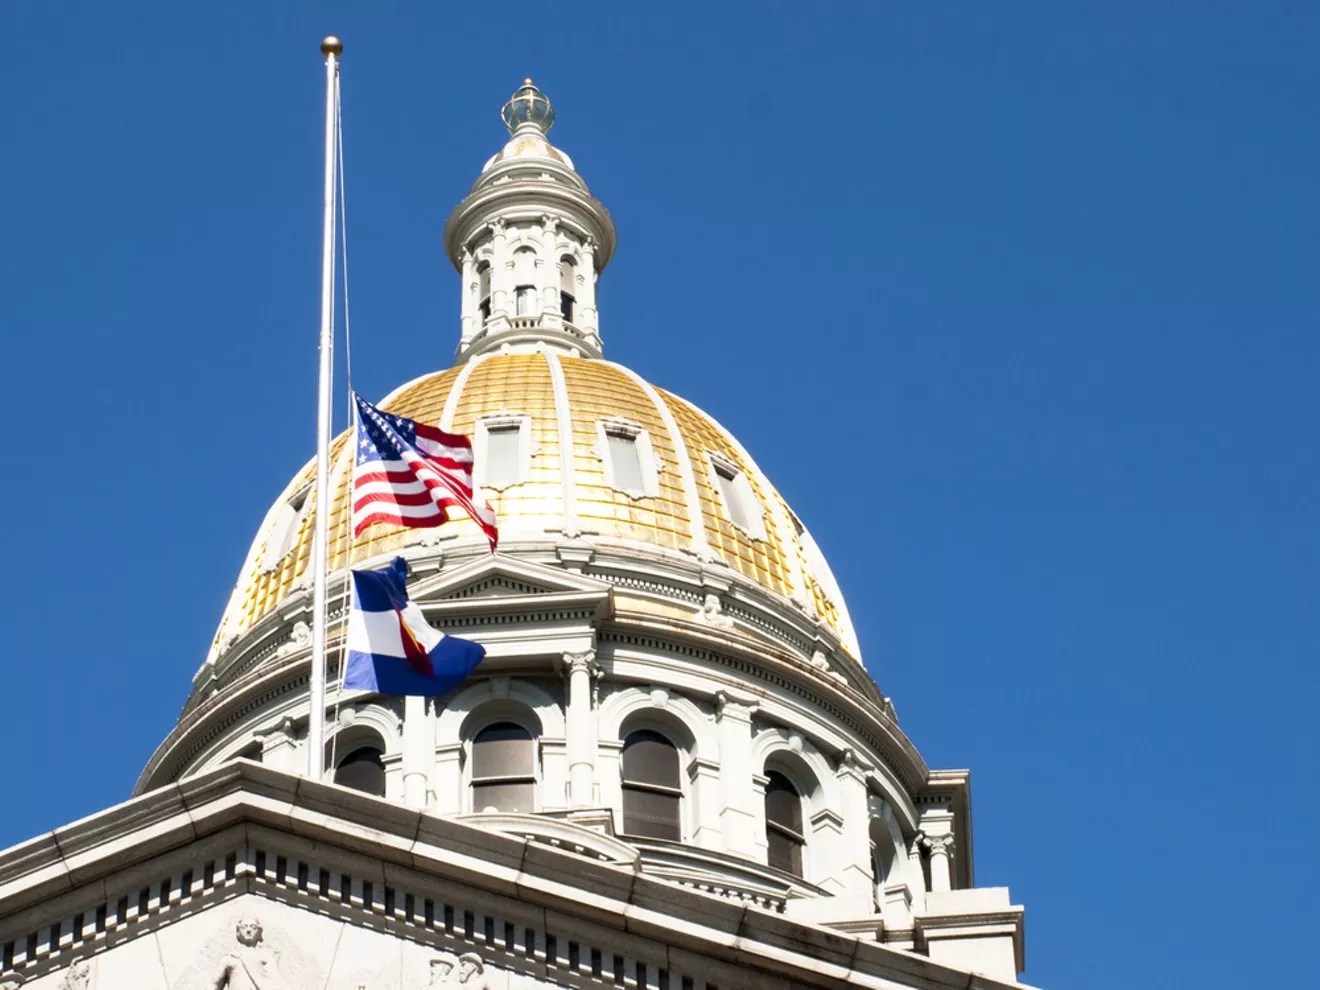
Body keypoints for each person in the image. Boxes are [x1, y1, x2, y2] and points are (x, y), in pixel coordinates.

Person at [210, 917, 289, 990]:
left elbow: (277, 983)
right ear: (238, 930)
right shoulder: (230, 958)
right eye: (244, 927)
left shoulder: (265, 956)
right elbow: (214, 984)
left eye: (253, 927)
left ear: (259, 932)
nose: (248, 930)